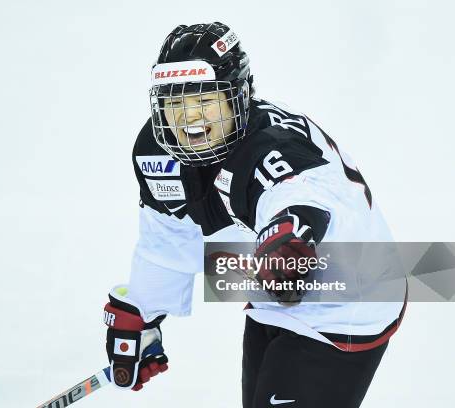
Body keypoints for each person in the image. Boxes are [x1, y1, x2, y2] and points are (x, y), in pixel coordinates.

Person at [102, 22, 406, 408]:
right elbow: (167, 238)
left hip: (351, 295)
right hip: (274, 290)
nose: (189, 120)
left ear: (239, 96)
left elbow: (302, 196)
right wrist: (143, 310)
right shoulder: (157, 151)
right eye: (175, 105)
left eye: (204, 102)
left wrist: (288, 233)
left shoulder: (272, 147)